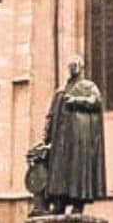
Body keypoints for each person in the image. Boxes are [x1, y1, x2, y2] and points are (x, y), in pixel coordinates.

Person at [41, 57, 106, 214]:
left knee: (77, 169)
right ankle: (59, 202)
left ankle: (78, 203)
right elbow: (50, 115)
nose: (72, 68)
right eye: (70, 66)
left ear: (81, 67)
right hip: (60, 140)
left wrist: (77, 100)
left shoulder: (88, 86)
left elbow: (96, 102)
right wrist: (46, 134)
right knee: (59, 170)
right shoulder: (61, 91)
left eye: (75, 65)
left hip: (78, 138)